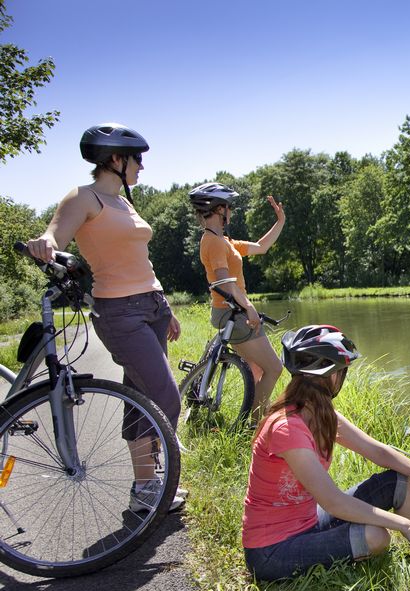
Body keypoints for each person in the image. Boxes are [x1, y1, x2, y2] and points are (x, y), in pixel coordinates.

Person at [26, 122, 185, 512]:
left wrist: (166, 307)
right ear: (115, 159)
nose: (141, 168)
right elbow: (55, 234)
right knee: (165, 396)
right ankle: (157, 479)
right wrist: (45, 243)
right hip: (120, 312)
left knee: (141, 397)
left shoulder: (124, 202)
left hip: (151, 306)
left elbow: (139, 259)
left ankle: (144, 490)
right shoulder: (85, 197)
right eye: (137, 160)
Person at [242, 325, 410, 581]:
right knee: (376, 536)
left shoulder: (320, 414)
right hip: (272, 552)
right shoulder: (287, 427)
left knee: (397, 482)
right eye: (341, 371)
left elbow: (379, 452)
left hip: (308, 522)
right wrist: (401, 523)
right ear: (330, 376)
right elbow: (333, 501)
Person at [190, 183, 286, 419]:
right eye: (228, 206)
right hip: (233, 313)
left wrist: (280, 221)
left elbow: (262, 247)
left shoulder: (224, 242)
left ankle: (260, 418)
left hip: (232, 312)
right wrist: (249, 307)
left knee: (255, 370)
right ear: (219, 209)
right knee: (274, 368)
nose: (231, 211)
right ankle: (253, 425)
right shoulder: (213, 242)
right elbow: (225, 283)